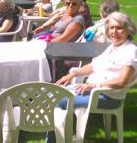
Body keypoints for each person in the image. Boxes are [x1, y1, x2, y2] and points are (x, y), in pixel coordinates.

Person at [46, 11, 137, 143]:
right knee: (53, 93)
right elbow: (94, 66)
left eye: (119, 28)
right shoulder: (113, 47)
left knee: (59, 101)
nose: (114, 32)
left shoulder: (130, 51)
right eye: (112, 28)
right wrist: (73, 74)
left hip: (107, 97)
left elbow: (122, 81)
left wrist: (94, 85)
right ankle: (62, 134)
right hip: (91, 91)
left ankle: (54, 139)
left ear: (128, 30)